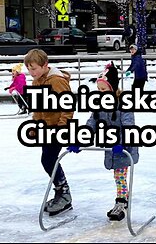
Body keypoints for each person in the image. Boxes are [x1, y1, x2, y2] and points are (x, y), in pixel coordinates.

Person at [68, 63, 139, 221]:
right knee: (117, 176)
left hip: (123, 147)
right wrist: (80, 139)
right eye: (98, 90)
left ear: (113, 89)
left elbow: (129, 126)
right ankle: (122, 200)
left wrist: (122, 142)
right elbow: (92, 123)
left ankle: (121, 202)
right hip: (110, 146)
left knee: (120, 176)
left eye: (104, 90)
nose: (100, 93)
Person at [24, 49, 74, 216]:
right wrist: (34, 126)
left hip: (58, 128)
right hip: (46, 129)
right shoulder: (36, 82)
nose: (31, 73)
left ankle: (64, 193)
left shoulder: (56, 81)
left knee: (48, 159)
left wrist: (62, 127)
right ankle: (62, 191)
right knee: (47, 159)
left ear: (45, 65)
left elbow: (67, 106)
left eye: (34, 69)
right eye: (29, 69)